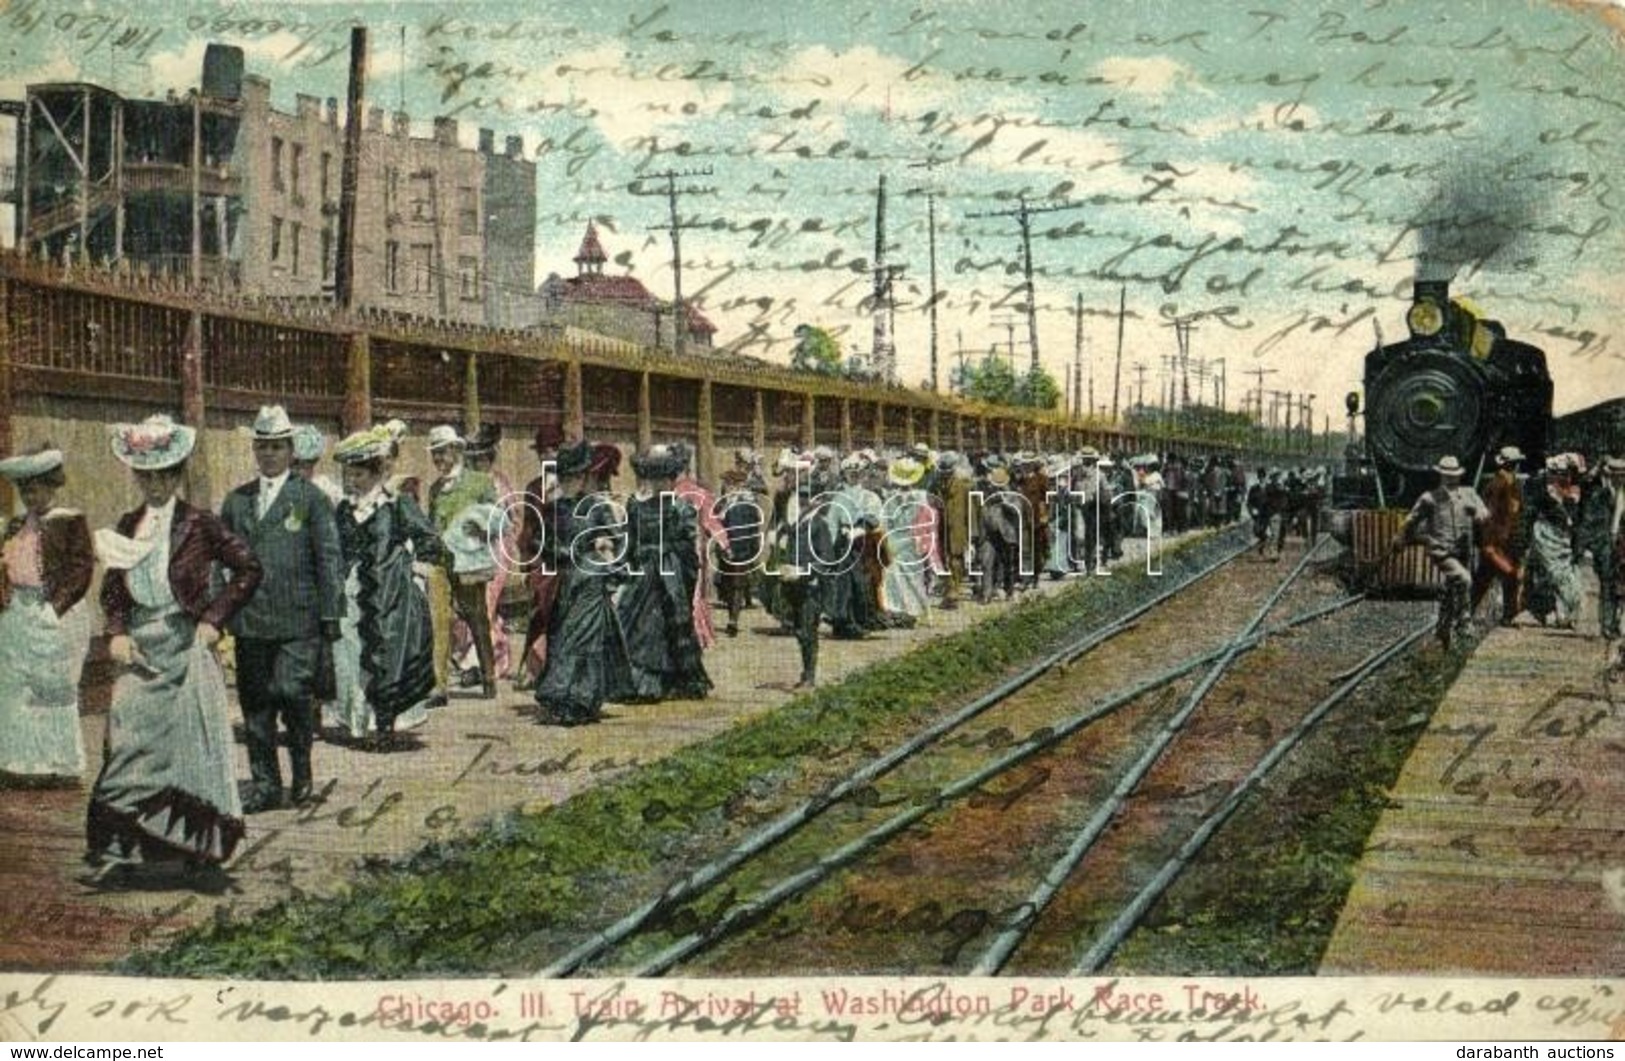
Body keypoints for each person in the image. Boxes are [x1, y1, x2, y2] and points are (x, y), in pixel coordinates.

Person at [88, 415, 262, 878]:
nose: (154, 484)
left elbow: (249, 569)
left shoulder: (199, 523)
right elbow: (114, 591)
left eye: (163, 474)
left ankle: (195, 852)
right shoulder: (129, 524)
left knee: (188, 752)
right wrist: (118, 632)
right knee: (128, 742)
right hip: (142, 651)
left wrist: (212, 621)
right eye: (145, 475)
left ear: (177, 475)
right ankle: (122, 848)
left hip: (184, 645)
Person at [219, 406, 343, 813]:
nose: (270, 455)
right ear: (255, 450)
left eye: (278, 447)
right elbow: (221, 560)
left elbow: (329, 559)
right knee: (256, 706)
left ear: (291, 451)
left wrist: (331, 615)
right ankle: (266, 785)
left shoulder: (310, 499)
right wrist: (219, 614)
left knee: (292, 693)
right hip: (251, 619)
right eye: (263, 447)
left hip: (298, 619)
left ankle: (302, 772)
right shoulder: (237, 501)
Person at [329, 426, 447, 744]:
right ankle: (358, 722)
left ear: (377, 471)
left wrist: (418, 567)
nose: (353, 481)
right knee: (351, 652)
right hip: (352, 591)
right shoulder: (343, 509)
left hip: (389, 593)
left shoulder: (397, 505)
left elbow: (429, 539)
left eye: (359, 474)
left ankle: (384, 722)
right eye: (349, 474)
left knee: (387, 653)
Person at [0, 447, 94, 785]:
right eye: (25, 490)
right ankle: (22, 763)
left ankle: (60, 764)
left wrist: (56, 607)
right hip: (18, 613)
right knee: (15, 687)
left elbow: (81, 568)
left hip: (54, 611)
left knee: (53, 687)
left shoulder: (69, 521)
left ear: (52, 487)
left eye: (37, 489)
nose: (31, 496)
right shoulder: (14, 526)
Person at [533, 439, 634, 725]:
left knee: (584, 640)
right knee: (562, 639)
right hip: (563, 583)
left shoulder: (597, 508)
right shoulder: (553, 509)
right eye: (563, 478)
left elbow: (620, 540)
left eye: (574, 477)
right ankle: (562, 697)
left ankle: (582, 700)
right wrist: (558, 552)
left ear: (584, 477)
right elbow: (540, 542)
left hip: (591, 578)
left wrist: (614, 568)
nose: (569, 483)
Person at [618, 445, 712, 701]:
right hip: (644, 575)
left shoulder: (680, 508)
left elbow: (689, 546)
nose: (660, 484)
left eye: (665, 478)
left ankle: (675, 681)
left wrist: (674, 559)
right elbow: (628, 541)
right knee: (641, 626)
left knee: (670, 624)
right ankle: (642, 683)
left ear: (672, 480)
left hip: (670, 574)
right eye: (654, 478)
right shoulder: (636, 506)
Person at [425, 425, 498, 699]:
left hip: (469, 562)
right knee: (438, 621)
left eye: (442, 453)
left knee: (477, 619)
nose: (438, 460)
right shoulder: (435, 489)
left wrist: (478, 530)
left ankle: (489, 677)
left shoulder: (479, 482)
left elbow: (496, 519)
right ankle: (439, 686)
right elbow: (432, 525)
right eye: (434, 455)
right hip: (441, 563)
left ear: (456, 451)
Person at [1393, 455, 1488, 648]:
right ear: (1441, 476)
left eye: (1454, 475)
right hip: (1441, 550)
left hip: (1464, 549)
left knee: (1451, 588)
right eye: (1447, 476)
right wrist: (1401, 538)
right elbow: (1412, 519)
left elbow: (1484, 514)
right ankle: (1465, 623)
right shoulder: (1430, 498)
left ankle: (1442, 631)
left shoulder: (1469, 494)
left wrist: (1477, 513)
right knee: (1464, 579)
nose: (1451, 479)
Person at [458, 424, 515, 685]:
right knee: (474, 604)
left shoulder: (501, 482)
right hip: (473, 548)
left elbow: (513, 517)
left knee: (487, 603)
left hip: (498, 549)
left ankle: (476, 664)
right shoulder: (467, 483)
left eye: (482, 458)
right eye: (474, 459)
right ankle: (496, 656)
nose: (478, 463)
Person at [775, 456, 832, 689]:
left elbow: (826, 561)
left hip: (811, 586)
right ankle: (806, 672)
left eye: (808, 497)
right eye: (801, 496)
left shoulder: (820, 525)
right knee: (799, 630)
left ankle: (810, 675)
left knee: (808, 630)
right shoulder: (796, 524)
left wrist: (804, 572)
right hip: (794, 584)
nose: (803, 500)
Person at [514, 426, 561, 691]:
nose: (548, 457)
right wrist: (525, 563)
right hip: (541, 556)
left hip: (566, 556)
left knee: (561, 611)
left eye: (553, 450)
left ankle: (556, 669)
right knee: (540, 611)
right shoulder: (533, 487)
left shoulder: (570, 483)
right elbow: (529, 528)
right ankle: (534, 668)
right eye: (544, 452)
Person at [1524, 454, 1584, 629]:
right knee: (1552, 573)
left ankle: (1566, 614)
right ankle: (1554, 613)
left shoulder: (1572, 489)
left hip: (1563, 536)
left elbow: (1573, 513)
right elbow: (1534, 512)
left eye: (1568, 473)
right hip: (1546, 533)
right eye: (1562, 472)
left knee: (1567, 575)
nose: (1566, 476)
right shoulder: (1544, 488)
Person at [1471, 446, 1528, 626]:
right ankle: (1506, 616)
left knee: (1488, 578)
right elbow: (1490, 513)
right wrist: (1488, 540)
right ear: (1514, 465)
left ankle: (1506, 615)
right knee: (1500, 576)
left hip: (1504, 538)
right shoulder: (1500, 484)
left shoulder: (1507, 482)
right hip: (1497, 540)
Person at [880, 456, 933, 623]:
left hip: (902, 539)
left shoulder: (895, 497)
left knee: (902, 575)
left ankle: (907, 609)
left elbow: (885, 522)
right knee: (904, 576)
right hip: (906, 539)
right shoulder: (921, 497)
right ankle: (906, 610)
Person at [1577, 454, 1624, 641]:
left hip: (1618, 544)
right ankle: (1607, 625)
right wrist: (1588, 545)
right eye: (1618, 473)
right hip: (1603, 543)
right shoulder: (1599, 492)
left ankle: (1611, 624)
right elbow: (1589, 520)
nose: (1620, 477)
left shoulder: (1617, 491)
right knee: (1607, 584)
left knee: (1614, 585)